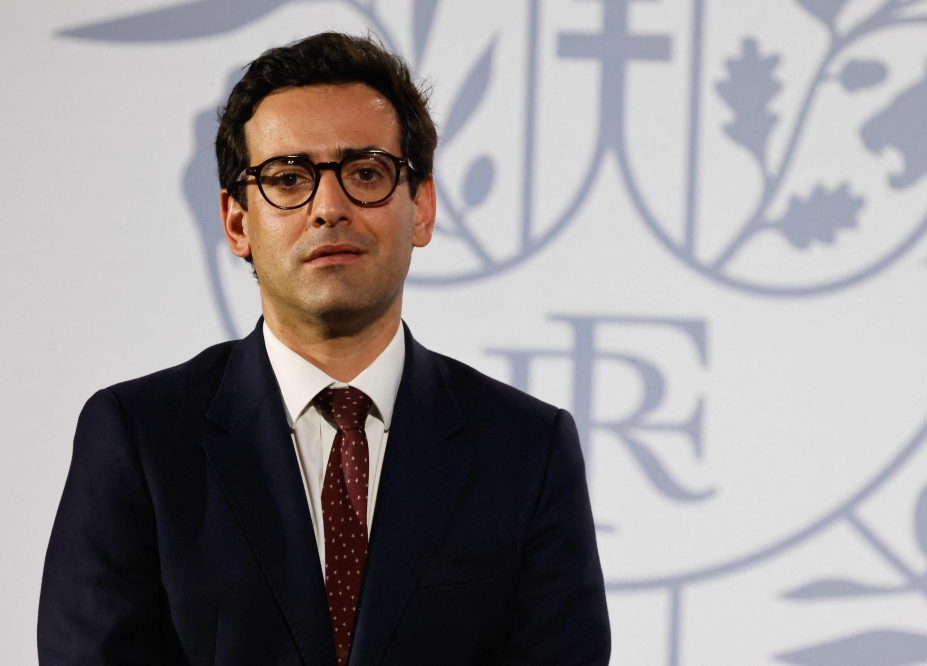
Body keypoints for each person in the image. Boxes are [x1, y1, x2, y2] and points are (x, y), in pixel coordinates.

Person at [37, 31, 611, 665]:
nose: (329, 207)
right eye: (288, 178)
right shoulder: (139, 437)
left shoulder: (526, 449)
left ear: (421, 206)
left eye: (366, 172)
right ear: (236, 222)